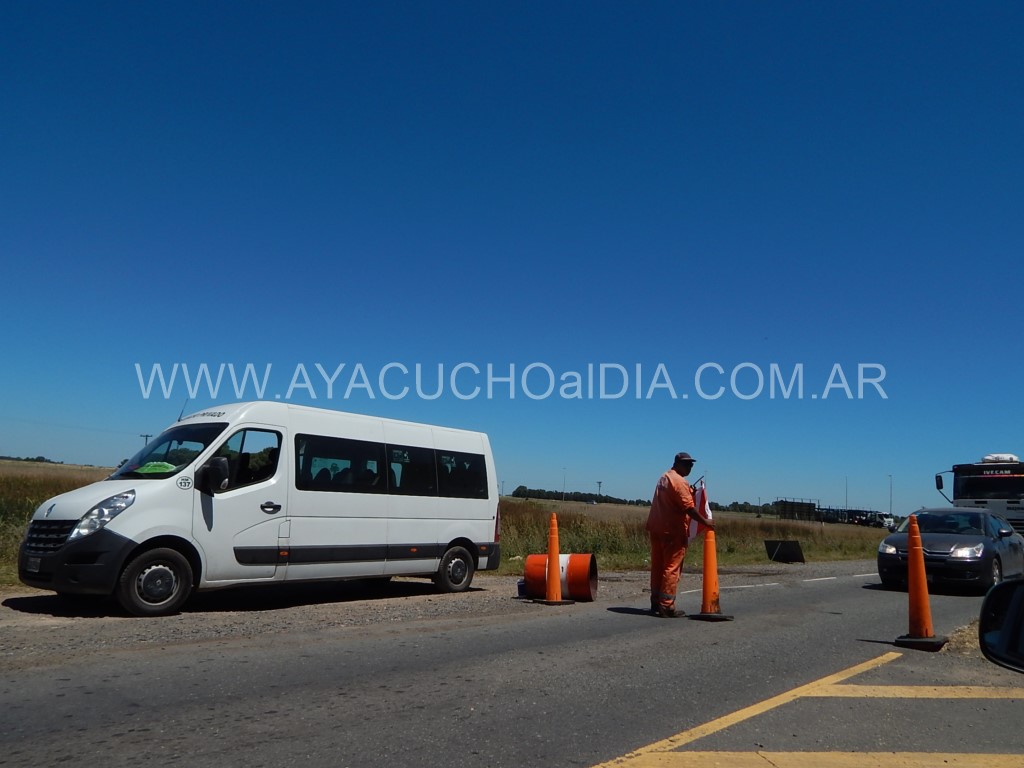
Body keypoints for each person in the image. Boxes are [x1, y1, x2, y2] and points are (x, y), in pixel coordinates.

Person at [646, 452, 714, 618]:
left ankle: (655, 601)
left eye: (692, 465)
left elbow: (673, 498)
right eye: (687, 464)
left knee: (658, 566)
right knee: (672, 567)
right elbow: (689, 508)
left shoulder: (664, 477)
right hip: (672, 530)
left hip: (656, 528)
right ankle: (666, 605)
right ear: (678, 464)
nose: (690, 468)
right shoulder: (680, 481)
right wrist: (705, 521)